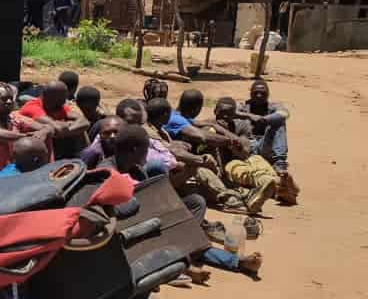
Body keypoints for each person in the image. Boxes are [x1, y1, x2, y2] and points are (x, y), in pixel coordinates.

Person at [102, 125, 263, 277]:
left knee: (195, 203)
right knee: (183, 236)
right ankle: (221, 262)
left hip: (153, 216)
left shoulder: (134, 168)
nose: (147, 154)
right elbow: (120, 215)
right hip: (135, 229)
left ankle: (185, 252)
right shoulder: (108, 175)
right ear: (135, 150)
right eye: (146, 150)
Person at [145, 97, 246, 211]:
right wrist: (200, 160)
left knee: (204, 192)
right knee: (195, 167)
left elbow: (170, 148)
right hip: (158, 180)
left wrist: (177, 144)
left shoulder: (158, 128)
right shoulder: (150, 133)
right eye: (169, 112)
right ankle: (230, 200)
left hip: (170, 176)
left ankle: (233, 196)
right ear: (165, 114)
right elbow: (174, 153)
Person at [212, 97, 282, 214]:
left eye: (229, 114)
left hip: (242, 159)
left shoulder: (241, 126)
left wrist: (226, 133)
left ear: (234, 114)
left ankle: (275, 183)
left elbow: (245, 152)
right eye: (222, 112)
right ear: (215, 111)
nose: (225, 116)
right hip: (227, 167)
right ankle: (268, 188)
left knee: (256, 159)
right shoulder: (207, 126)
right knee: (238, 168)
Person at [238, 81, 298, 203]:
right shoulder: (242, 106)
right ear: (250, 93)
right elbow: (229, 111)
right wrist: (249, 116)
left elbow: (284, 114)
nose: (259, 95)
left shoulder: (274, 107)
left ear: (268, 94)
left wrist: (264, 120)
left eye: (263, 93)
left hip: (265, 146)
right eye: (256, 93)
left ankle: (280, 164)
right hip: (247, 146)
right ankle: (280, 187)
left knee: (278, 122)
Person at [0, 83, 48, 181]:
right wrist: (26, 137)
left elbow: (45, 127)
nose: (9, 102)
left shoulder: (14, 117)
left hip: (11, 173)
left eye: (11, 98)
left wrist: (42, 132)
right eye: (4, 99)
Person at [18, 80, 89, 159]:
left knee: (81, 131)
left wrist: (67, 129)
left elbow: (85, 122)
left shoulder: (57, 106)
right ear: (48, 97)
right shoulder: (33, 107)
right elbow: (57, 127)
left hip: (57, 143)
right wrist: (68, 125)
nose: (64, 102)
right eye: (61, 99)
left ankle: (85, 158)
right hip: (31, 150)